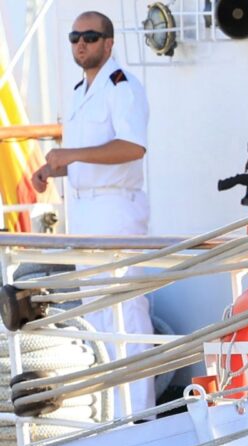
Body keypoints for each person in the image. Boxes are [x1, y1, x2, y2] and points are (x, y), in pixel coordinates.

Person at [31, 11, 155, 416]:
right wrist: (53, 168)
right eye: (74, 36)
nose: (80, 43)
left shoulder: (122, 87)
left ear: (108, 42)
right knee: (96, 317)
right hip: (84, 213)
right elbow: (90, 152)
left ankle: (138, 416)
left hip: (115, 211)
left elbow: (132, 147)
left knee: (126, 313)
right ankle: (111, 414)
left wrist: (71, 154)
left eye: (89, 36)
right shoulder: (80, 91)